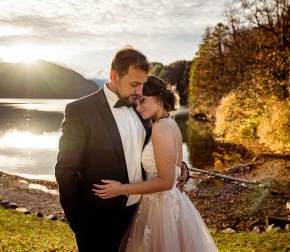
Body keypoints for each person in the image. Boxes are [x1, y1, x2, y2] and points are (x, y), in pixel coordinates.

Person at [55, 47, 189, 251]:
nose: (139, 91)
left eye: (143, 85)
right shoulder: (80, 111)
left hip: (141, 215)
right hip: (98, 221)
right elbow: (65, 170)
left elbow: (154, 150)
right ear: (114, 76)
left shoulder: (140, 109)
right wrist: (79, 223)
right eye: (135, 84)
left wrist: (180, 168)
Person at [93, 75, 219, 251]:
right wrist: (183, 169)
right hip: (169, 203)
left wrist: (121, 189)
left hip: (160, 209)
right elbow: (172, 163)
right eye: (136, 102)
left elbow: (166, 182)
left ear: (159, 98)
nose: (138, 107)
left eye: (143, 100)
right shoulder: (170, 123)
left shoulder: (160, 128)